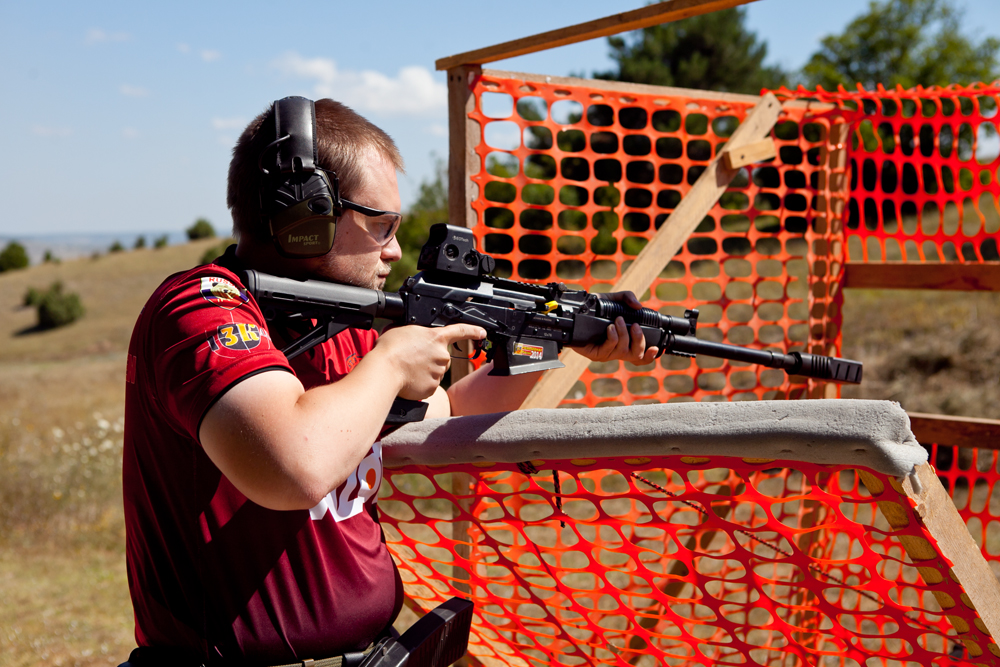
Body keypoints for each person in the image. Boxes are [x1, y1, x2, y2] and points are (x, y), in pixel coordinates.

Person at [122, 97, 658, 666]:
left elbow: (444, 411)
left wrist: (543, 343)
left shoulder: (339, 329)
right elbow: (293, 465)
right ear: (306, 215)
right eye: (381, 226)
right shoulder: (202, 310)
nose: (395, 250)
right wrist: (390, 364)